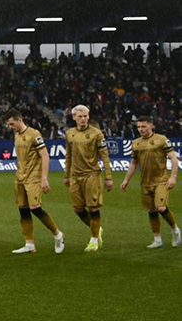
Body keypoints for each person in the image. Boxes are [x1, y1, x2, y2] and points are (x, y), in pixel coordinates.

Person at [2, 109, 63, 254]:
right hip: (20, 177)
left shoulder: (34, 135)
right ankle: (29, 244)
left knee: (35, 208)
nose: (11, 127)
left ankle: (57, 234)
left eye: (12, 124)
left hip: (34, 177)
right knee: (23, 209)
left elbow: (45, 156)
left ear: (20, 120)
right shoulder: (17, 135)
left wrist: (44, 178)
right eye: (9, 125)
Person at [120, 116, 180, 248]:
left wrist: (173, 177)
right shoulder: (136, 143)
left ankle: (175, 230)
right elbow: (134, 163)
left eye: (144, 127)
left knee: (161, 208)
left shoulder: (161, 139)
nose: (141, 129)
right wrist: (126, 180)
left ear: (151, 126)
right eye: (139, 127)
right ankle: (157, 239)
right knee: (151, 210)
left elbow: (174, 159)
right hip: (145, 182)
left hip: (161, 180)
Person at [64, 104, 113, 253]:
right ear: (74, 118)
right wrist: (66, 175)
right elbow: (68, 155)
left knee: (93, 207)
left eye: (85, 116)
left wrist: (108, 177)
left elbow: (105, 156)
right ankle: (97, 228)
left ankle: (94, 239)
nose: (83, 119)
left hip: (92, 174)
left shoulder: (96, 133)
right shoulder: (70, 133)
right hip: (75, 176)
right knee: (78, 208)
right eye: (80, 116)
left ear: (88, 116)